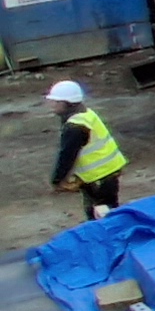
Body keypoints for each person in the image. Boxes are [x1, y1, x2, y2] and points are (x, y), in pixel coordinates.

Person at [46, 81, 127, 219]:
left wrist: (57, 180)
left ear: (67, 103)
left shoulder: (75, 127)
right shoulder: (87, 114)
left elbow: (67, 156)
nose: (52, 105)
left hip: (98, 177)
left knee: (102, 214)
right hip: (108, 171)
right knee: (108, 209)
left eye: (56, 101)